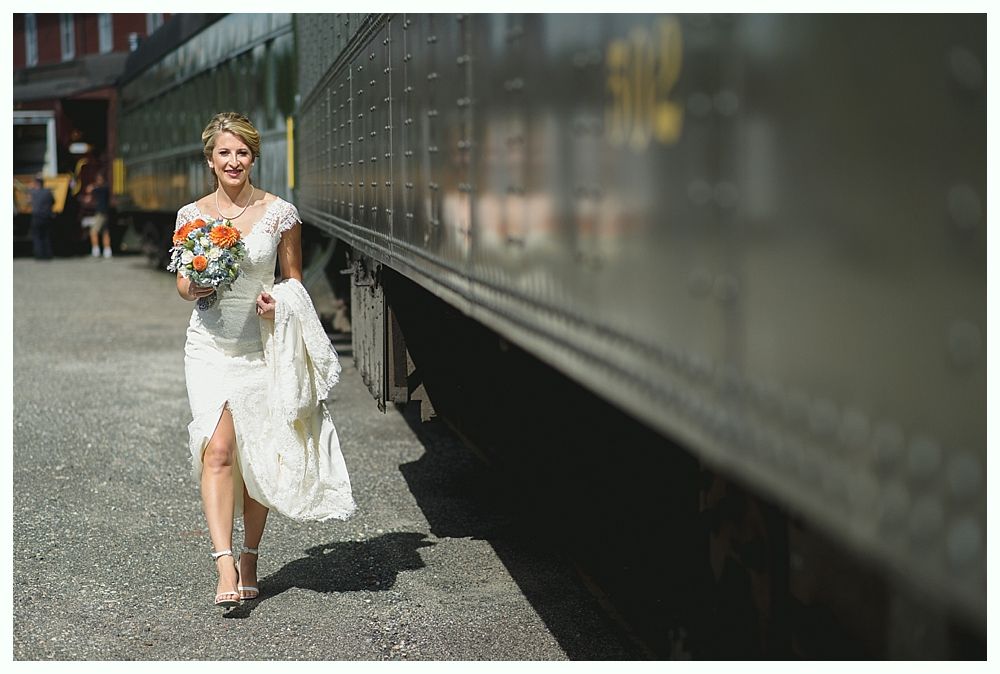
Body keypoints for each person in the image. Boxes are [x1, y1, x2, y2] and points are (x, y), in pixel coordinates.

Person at [174, 112, 355, 609]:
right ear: (210, 160)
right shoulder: (191, 216)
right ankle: (224, 561)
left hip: (260, 349)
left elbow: (294, 280)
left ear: (254, 157)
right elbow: (184, 285)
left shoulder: (281, 213)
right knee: (217, 450)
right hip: (208, 347)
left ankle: (252, 554)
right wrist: (198, 284)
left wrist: (279, 301)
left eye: (243, 153)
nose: (234, 161)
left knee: (253, 456)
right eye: (224, 153)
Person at [86, 173, 112, 258]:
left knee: (93, 231)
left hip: (100, 213)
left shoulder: (102, 189)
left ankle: (95, 250)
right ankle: (107, 251)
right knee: (105, 232)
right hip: (106, 213)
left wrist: (91, 188)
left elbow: (90, 191)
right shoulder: (106, 189)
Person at [29, 175, 54, 260]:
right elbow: (53, 201)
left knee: (37, 237)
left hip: (36, 217)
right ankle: (47, 254)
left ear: (36, 183)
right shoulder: (48, 192)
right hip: (47, 216)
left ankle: (39, 255)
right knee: (46, 236)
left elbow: (28, 200)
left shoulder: (33, 192)